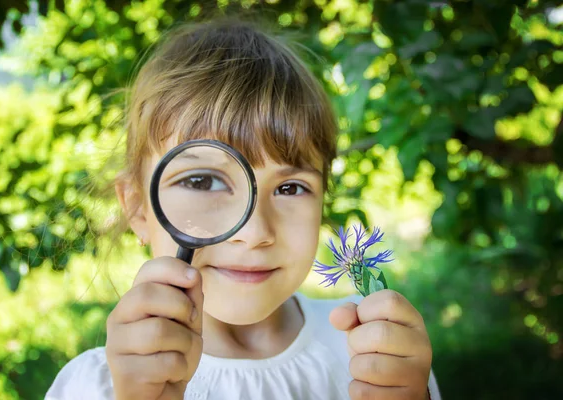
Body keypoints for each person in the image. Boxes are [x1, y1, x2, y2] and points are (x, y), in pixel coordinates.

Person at [46, 16, 441, 400]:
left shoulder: (372, 354)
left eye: (289, 187)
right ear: (137, 207)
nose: (253, 233)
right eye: (201, 181)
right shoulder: (96, 386)